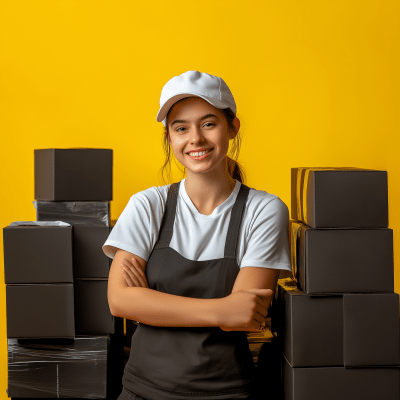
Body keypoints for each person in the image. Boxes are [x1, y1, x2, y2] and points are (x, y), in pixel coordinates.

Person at [102, 70, 293, 400]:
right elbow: (119, 301)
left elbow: (245, 316)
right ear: (169, 138)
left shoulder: (264, 210)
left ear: (232, 127)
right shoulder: (148, 204)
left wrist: (149, 301)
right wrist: (221, 310)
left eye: (208, 123)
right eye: (181, 128)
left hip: (227, 393)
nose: (195, 139)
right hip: (141, 391)